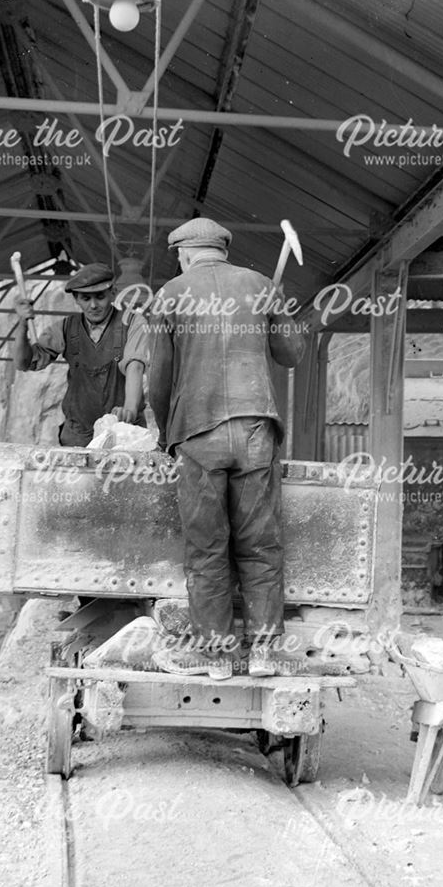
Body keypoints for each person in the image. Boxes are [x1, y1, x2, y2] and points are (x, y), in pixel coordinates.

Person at [148, 218, 305, 680]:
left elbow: (160, 378)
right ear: (221, 249)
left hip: (199, 433)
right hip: (256, 430)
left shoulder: (170, 294)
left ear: (185, 253)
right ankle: (264, 653)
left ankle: (216, 655)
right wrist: (274, 309)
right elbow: (291, 353)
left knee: (207, 547)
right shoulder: (259, 285)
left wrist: (164, 434)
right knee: (260, 544)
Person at [14, 262, 148, 447]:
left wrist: (130, 411)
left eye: (100, 297)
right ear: (76, 299)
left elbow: (136, 366)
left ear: (113, 293)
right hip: (78, 436)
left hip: (124, 433)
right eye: (85, 298)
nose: (93, 305)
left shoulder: (133, 322)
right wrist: (22, 324)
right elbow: (24, 363)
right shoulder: (65, 328)